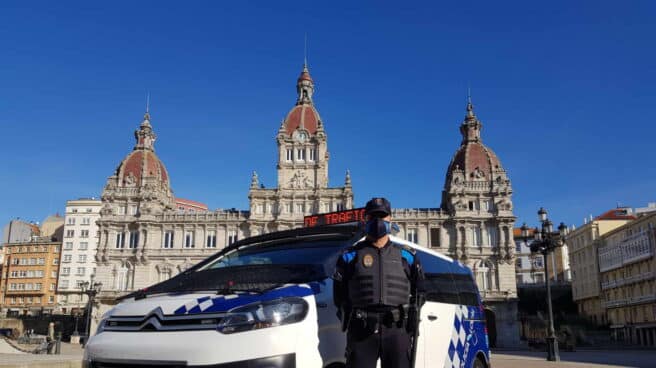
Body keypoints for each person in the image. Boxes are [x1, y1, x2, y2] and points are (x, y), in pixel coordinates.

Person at [333, 197, 424, 368]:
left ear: (391, 220)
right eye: (372, 216)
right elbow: (339, 294)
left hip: (397, 330)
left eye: (382, 216)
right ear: (365, 220)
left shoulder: (408, 256)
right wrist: (347, 318)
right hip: (362, 330)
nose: (377, 221)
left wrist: (412, 318)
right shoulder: (349, 256)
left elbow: (421, 291)